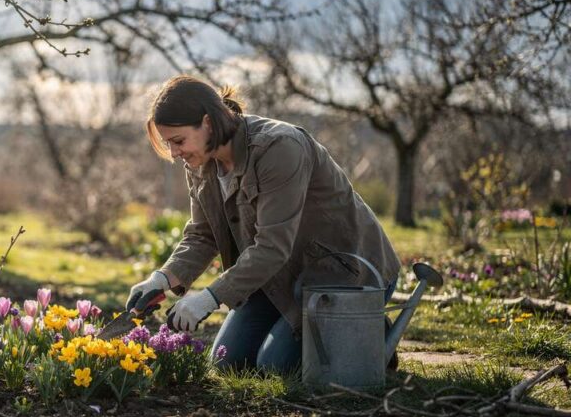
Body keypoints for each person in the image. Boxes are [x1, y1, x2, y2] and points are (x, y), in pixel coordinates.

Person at [125, 75, 401, 373]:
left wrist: (210, 298)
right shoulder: (200, 161)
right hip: (276, 278)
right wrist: (162, 278)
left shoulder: (279, 148)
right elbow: (203, 235)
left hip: (342, 274)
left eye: (178, 141)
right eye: (168, 143)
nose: (174, 153)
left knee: (276, 365)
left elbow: (272, 247)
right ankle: (310, 329)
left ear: (208, 123)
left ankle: (368, 330)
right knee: (228, 362)